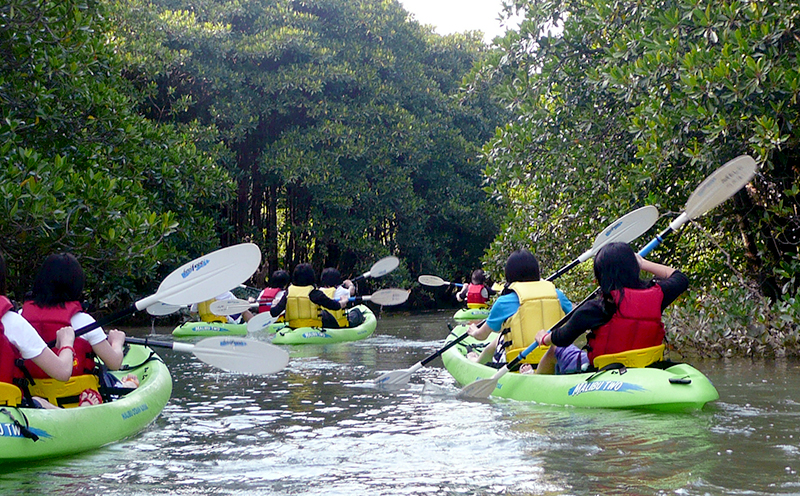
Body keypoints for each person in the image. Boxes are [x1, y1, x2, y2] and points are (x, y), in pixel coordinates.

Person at [534, 242, 689, 375]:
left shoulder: (597, 308)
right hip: (646, 367)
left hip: (604, 370)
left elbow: (563, 338)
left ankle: (534, 378)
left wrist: (544, 338)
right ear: (635, 268)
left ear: (600, 276)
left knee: (555, 349)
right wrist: (643, 263)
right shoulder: (657, 296)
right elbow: (680, 278)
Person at [21, 253, 138, 405]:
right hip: (77, 398)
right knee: (109, 377)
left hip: (31, 397)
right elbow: (114, 363)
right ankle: (128, 385)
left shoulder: (20, 317)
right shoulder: (84, 321)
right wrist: (117, 342)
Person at [466, 249, 572, 369]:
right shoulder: (557, 295)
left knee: (499, 338)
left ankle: (477, 362)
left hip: (519, 363)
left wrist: (474, 331)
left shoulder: (503, 302)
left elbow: (482, 335)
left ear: (509, 275)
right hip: (557, 359)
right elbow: (576, 316)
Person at [0, 252, 77, 408]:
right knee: (40, 402)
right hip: (6, 407)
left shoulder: (17, 318)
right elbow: (62, 372)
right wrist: (67, 343)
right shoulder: (12, 322)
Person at [270, 263, 345, 329]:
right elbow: (335, 306)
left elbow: (274, 313)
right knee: (325, 314)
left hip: (293, 328)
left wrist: (274, 304)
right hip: (313, 328)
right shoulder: (315, 293)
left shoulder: (288, 293)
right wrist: (343, 301)